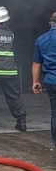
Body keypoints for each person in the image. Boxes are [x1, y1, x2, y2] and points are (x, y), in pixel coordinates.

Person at [32, 11, 56, 150]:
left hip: (51, 81)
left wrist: (36, 82)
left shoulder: (41, 39)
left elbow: (37, 63)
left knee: (55, 114)